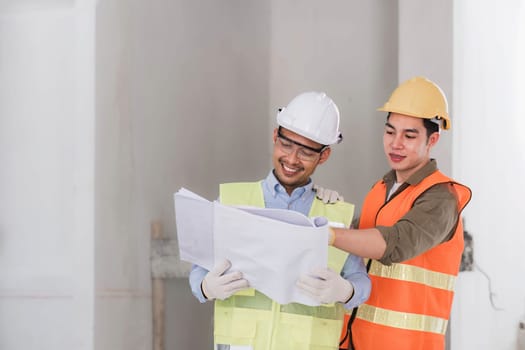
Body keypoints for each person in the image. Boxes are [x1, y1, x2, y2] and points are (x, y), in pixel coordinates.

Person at [189, 91, 371, 350]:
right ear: (275, 136)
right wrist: (206, 287)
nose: (292, 159)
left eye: (306, 152)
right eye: (286, 145)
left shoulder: (335, 214)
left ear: (324, 156)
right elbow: (198, 271)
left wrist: (346, 292)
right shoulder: (231, 201)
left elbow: (361, 281)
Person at [326, 76, 472, 350]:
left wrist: (329, 233)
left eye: (409, 135)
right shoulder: (381, 189)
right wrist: (326, 212)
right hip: (355, 341)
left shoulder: (441, 198)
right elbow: (352, 248)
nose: (396, 143)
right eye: (390, 131)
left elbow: (395, 244)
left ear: (433, 140)